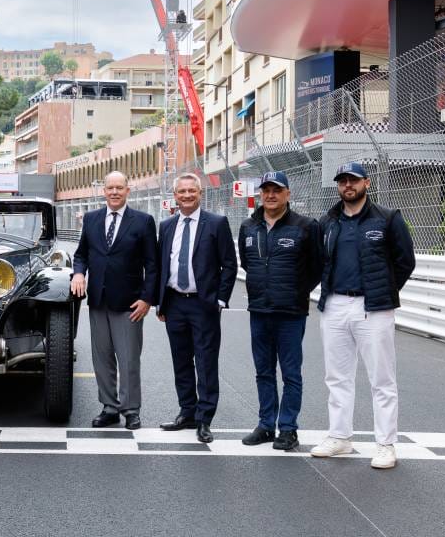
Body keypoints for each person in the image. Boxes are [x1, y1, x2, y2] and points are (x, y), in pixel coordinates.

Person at [311, 162, 415, 469]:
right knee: (336, 376)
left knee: (382, 379)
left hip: (373, 307)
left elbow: (405, 261)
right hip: (334, 304)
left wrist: (383, 290)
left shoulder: (387, 218)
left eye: (353, 180)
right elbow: (319, 261)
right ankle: (340, 437)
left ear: (366, 183)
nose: (347, 185)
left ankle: (385, 443)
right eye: (342, 180)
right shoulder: (328, 221)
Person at [237, 171, 323, 451]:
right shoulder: (248, 226)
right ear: (260, 194)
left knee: (290, 373)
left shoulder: (305, 226)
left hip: (290, 312)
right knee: (263, 372)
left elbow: (316, 267)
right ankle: (265, 425)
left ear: (288, 194)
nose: (270, 195)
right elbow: (248, 264)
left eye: (277, 190)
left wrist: (297, 291)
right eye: (266, 190)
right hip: (259, 310)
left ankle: (288, 429)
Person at [70, 171, 158, 430]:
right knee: (102, 358)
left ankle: (131, 409)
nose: (115, 192)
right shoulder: (91, 219)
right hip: (98, 301)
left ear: (127, 191)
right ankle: (109, 407)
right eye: (110, 187)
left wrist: (147, 299)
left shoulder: (143, 222)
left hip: (130, 303)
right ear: (104, 191)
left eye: (120, 187)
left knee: (129, 358)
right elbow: (81, 254)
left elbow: (152, 265)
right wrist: (78, 273)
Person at [156, 172, 237, 443]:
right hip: (175, 302)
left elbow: (229, 265)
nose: (187, 196)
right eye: (182, 192)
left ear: (200, 194)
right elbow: (161, 266)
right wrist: (161, 302)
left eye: (192, 191)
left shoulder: (216, 223)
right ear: (175, 196)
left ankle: (205, 419)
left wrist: (220, 300)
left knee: (205, 362)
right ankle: (187, 412)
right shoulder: (167, 226)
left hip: (204, 305)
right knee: (181, 362)